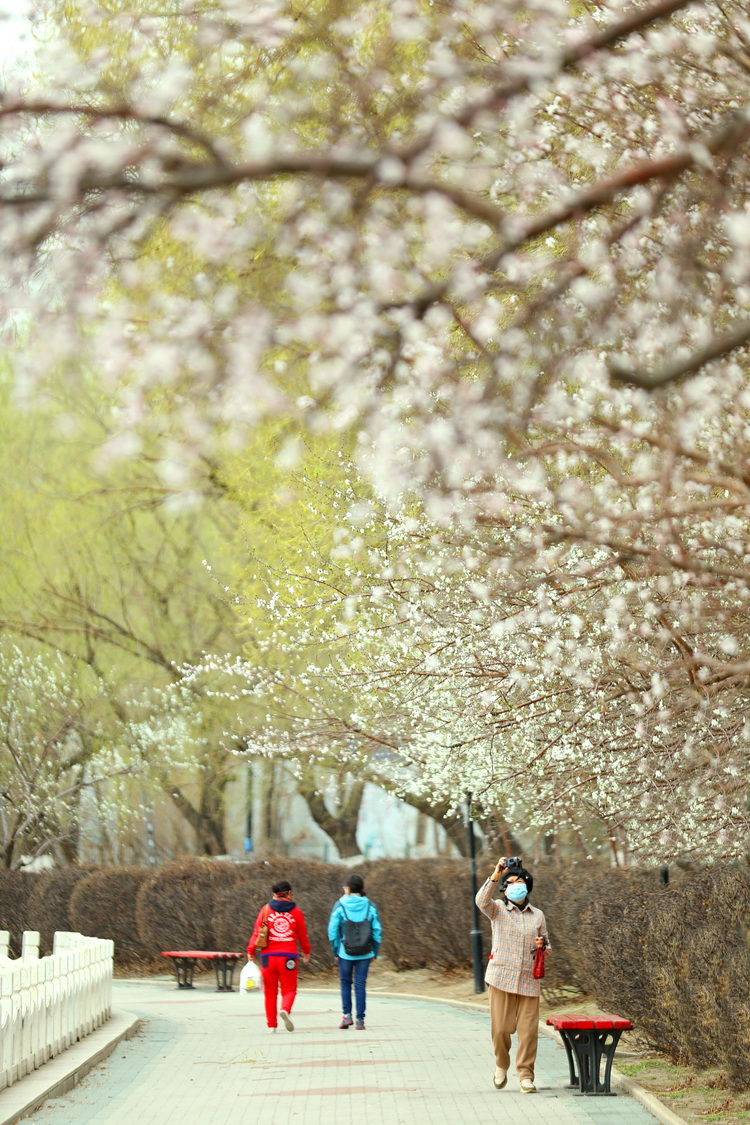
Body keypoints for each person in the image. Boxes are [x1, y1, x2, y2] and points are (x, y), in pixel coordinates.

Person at [475, 856, 550, 1094]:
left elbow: (547, 947)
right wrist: (497, 872)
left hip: (529, 980)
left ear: (526, 886)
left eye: (520, 881)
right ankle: (501, 1065)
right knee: (500, 1029)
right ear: (505, 889)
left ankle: (526, 1075)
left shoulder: (537, 915)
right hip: (501, 978)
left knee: (528, 1032)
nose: (516, 885)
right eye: (511, 882)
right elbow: (480, 901)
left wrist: (542, 945)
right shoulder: (497, 909)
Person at [247, 880, 311, 1033]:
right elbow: (302, 935)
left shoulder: (266, 910)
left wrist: (250, 951)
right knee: (289, 989)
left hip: (268, 957)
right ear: (289, 893)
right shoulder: (296, 912)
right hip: (288, 957)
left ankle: (271, 1026)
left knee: (270, 992)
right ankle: (285, 1009)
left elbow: (257, 932)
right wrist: (306, 951)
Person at [328, 873, 382, 1031]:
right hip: (365, 952)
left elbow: (332, 930)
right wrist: (375, 952)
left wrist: (335, 950)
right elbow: (377, 930)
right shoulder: (370, 905)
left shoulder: (340, 904)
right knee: (360, 984)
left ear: (349, 888)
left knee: (345, 983)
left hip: (345, 952)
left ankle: (346, 1016)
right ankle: (360, 1020)